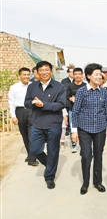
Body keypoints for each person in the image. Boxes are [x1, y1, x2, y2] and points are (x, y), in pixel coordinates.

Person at [71, 63, 107, 195]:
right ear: (89, 76)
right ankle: (85, 183)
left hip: (100, 128)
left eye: (100, 74)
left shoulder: (103, 92)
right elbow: (75, 111)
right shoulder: (81, 92)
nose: (99, 76)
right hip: (84, 129)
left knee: (98, 156)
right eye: (96, 74)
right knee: (86, 156)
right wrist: (74, 131)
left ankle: (98, 182)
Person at [24, 61, 66, 189]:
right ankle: (50, 164)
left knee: (53, 151)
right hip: (37, 123)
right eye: (41, 70)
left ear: (51, 72)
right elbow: (26, 103)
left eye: (47, 70)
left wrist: (44, 105)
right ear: (37, 72)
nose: (44, 72)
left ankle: (49, 177)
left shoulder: (59, 87)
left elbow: (61, 104)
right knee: (35, 150)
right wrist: (33, 103)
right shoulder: (32, 87)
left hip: (53, 124)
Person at [8, 67, 39, 166]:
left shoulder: (34, 86)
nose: (26, 76)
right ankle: (30, 155)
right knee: (25, 135)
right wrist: (13, 116)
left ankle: (32, 159)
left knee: (32, 135)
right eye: (24, 75)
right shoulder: (14, 87)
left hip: (32, 111)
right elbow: (11, 102)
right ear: (19, 76)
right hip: (20, 112)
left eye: (28, 75)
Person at [66, 67, 86, 153]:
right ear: (73, 75)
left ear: (82, 75)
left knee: (83, 127)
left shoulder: (85, 85)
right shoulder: (70, 86)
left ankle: (83, 144)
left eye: (79, 74)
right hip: (72, 109)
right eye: (76, 74)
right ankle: (74, 144)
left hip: (84, 110)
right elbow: (66, 96)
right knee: (73, 127)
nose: (77, 76)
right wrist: (71, 98)